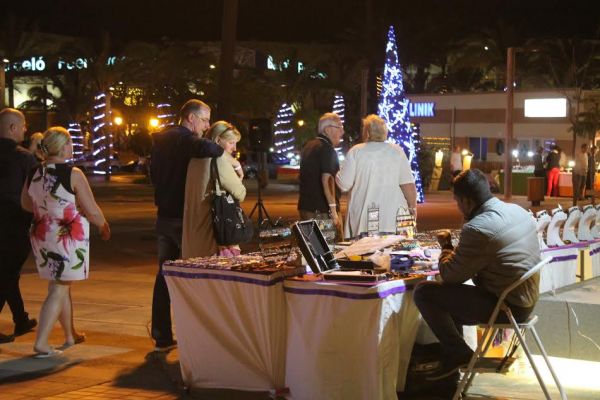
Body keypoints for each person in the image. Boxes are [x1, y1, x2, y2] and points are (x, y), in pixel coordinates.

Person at [413, 169, 541, 380]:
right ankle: (451, 369)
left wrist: (446, 245)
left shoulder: (478, 228)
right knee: (448, 303)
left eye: (457, 202)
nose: (457, 207)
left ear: (466, 201)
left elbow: (450, 276)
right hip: (525, 301)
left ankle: (458, 354)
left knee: (424, 293)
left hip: (507, 307)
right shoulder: (517, 211)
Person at [21, 126, 111, 358]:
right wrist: (102, 224)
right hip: (66, 234)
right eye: (70, 143)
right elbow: (91, 209)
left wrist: (46, 211)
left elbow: (24, 203)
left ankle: (70, 335)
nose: (73, 147)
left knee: (60, 284)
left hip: (42, 232)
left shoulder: (34, 171)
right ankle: (41, 343)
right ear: (62, 147)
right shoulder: (72, 173)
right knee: (60, 286)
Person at [149, 99, 224, 352]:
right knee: (194, 274)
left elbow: (154, 176)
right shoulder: (182, 139)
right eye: (204, 119)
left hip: (164, 216)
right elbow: (211, 149)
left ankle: (161, 334)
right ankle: (197, 335)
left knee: (164, 275)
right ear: (190, 118)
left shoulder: (161, 141)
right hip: (185, 218)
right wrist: (223, 149)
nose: (207, 125)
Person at [335, 114, 417, 238]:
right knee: (397, 253)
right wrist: (413, 209)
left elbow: (344, 184)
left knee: (365, 253)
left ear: (367, 133)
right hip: (394, 218)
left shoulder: (356, 151)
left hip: (365, 219)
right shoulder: (397, 151)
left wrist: (336, 172)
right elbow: (408, 185)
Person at [0, 108, 38, 344]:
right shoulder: (24, 157)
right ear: (13, 128)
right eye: (23, 126)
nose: (25, 130)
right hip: (15, 222)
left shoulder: (24, 155)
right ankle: (20, 319)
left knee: (7, 271)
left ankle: (20, 318)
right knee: (7, 273)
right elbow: (35, 190)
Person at [182, 121, 247, 258]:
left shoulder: (194, 160)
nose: (234, 148)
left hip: (192, 232)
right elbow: (240, 193)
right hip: (213, 235)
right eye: (231, 142)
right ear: (218, 140)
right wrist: (238, 176)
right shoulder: (218, 161)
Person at [298, 113, 344, 235]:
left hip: (306, 208)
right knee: (329, 249)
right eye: (339, 127)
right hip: (322, 212)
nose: (342, 132)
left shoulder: (309, 146)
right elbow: (327, 179)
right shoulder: (327, 149)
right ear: (328, 130)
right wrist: (333, 211)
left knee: (313, 249)